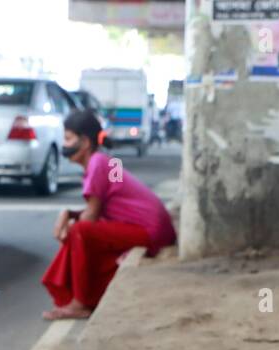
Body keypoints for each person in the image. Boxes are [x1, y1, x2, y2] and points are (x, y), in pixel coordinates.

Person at [41, 109, 177, 321]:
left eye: (68, 139)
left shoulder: (96, 163)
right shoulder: (106, 160)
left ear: (85, 142)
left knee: (80, 232)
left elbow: (91, 217)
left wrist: (68, 223)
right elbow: (108, 202)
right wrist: (68, 213)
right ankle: (85, 298)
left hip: (150, 231)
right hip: (156, 227)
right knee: (84, 232)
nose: (65, 146)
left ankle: (80, 303)